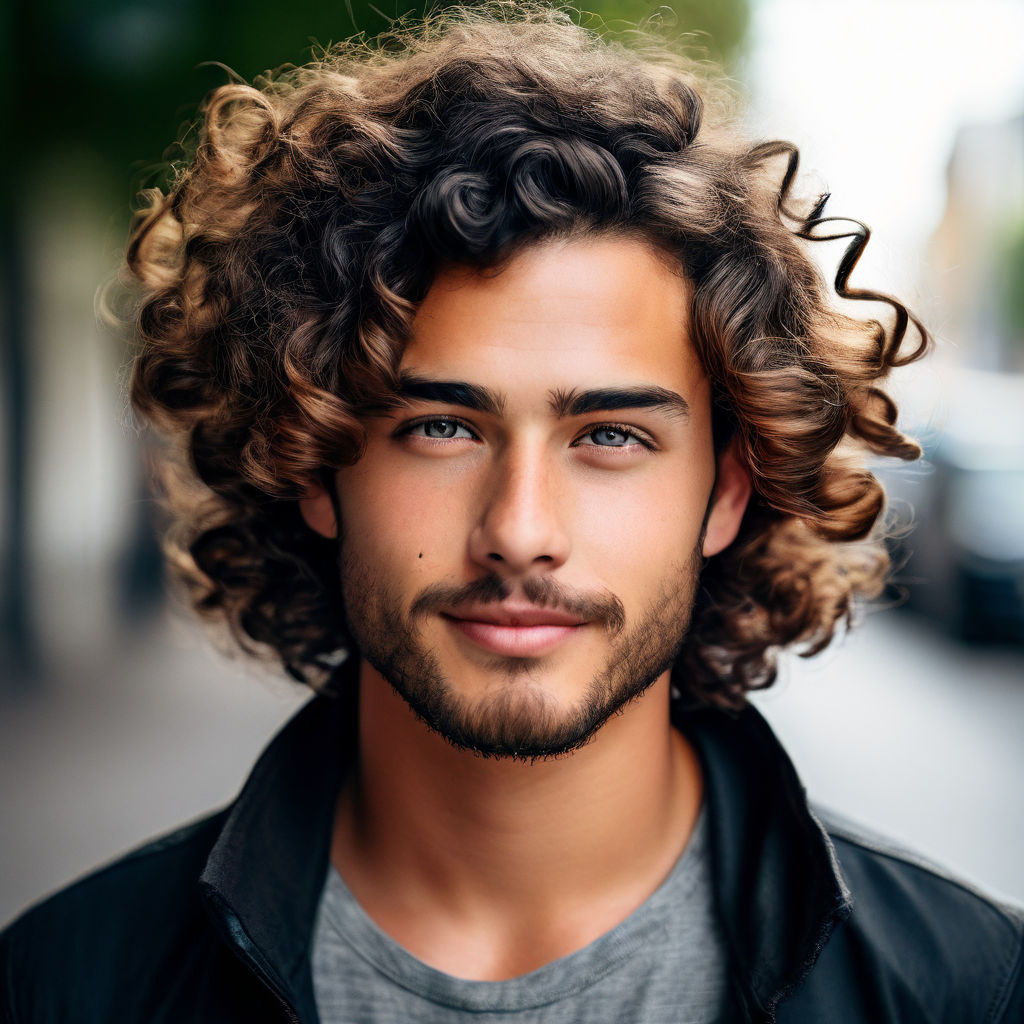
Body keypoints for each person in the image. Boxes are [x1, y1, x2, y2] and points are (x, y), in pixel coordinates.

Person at [2, 6, 1022, 1022]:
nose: (520, 528)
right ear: (313, 466)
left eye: (611, 437)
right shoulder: (70, 984)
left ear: (725, 491)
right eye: (442, 428)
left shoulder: (964, 988)